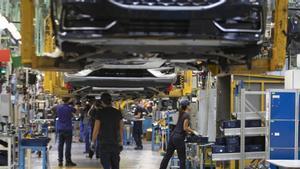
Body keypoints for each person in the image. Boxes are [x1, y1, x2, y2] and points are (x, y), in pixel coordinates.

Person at [159, 99, 196, 169]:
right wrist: (193, 131)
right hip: (179, 138)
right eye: (189, 105)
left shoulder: (181, 113)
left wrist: (188, 131)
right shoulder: (186, 115)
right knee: (182, 158)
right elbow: (185, 128)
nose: (190, 107)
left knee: (167, 155)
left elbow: (181, 126)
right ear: (187, 106)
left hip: (173, 136)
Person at [91, 93, 123, 169]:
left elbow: (96, 129)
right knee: (115, 166)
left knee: (106, 165)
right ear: (111, 101)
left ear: (102, 102)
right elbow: (121, 128)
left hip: (104, 144)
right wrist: (121, 141)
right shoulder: (117, 112)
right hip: (115, 143)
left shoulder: (100, 113)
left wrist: (93, 142)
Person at [55, 97, 77, 167]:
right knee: (68, 146)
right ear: (69, 100)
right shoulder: (70, 108)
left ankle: (60, 161)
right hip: (68, 129)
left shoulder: (58, 107)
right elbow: (76, 111)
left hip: (60, 128)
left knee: (60, 146)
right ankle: (68, 161)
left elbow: (53, 110)